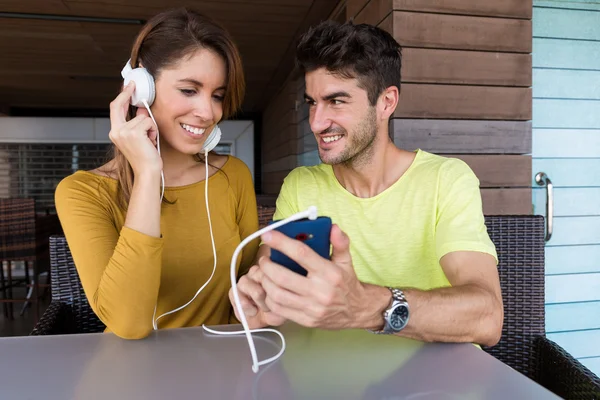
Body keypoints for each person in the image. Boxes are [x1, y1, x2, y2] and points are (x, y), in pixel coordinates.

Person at [233, 20, 503, 347]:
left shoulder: (445, 179)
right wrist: (262, 302)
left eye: (336, 101)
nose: (316, 122)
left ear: (386, 103)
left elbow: (487, 318)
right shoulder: (301, 185)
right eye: (311, 102)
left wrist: (366, 306)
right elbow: (270, 284)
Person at [55, 8, 259, 339]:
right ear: (139, 90)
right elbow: (129, 324)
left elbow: (249, 280)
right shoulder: (83, 192)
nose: (209, 113)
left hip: (226, 364)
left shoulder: (232, 175)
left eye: (218, 96)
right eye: (189, 90)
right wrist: (149, 173)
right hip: (131, 376)